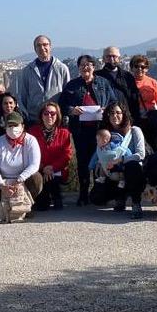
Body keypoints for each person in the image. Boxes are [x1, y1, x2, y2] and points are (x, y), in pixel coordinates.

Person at [58, 55, 118, 205]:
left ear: (94, 67)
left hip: (100, 130)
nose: (86, 67)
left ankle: (100, 192)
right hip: (80, 130)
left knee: (102, 160)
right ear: (78, 68)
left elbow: (114, 101)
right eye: (82, 65)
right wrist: (72, 110)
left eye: (89, 64)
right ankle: (83, 193)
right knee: (83, 162)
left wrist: (106, 110)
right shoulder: (72, 85)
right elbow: (62, 105)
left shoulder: (103, 83)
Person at [0, 112, 44, 213]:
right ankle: (3, 206)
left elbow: (34, 165)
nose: (12, 128)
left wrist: (19, 180)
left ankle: (27, 204)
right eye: (9, 125)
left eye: (15, 125)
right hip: (4, 179)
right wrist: (2, 186)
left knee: (36, 179)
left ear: (22, 126)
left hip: (23, 179)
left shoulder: (31, 140)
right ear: (5, 127)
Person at [26, 102, 73, 211]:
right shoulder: (33, 132)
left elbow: (67, 154)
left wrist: (52, 167)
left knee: (53, 179)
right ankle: (44, 197)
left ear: (57, 116)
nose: (49, 116)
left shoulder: (64, 133)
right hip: (39, 169)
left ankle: (57, 196)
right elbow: (28, 153)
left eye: (53, 113)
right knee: (42, 206)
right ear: (41, 115)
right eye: (46, 113)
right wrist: (43, 167)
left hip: (57, 170)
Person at [17, 35, 71, 126]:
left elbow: (68, 94)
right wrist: (26, 115)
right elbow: (23, 95)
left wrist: (65, 115)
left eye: (45, 44)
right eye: (39, 45)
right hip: (34, 120)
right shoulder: (27, 70)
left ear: (50, 47)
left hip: (56, 119)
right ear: (35, 49)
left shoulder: (62, 68)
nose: (42, 48)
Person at [129, 54, 157, 154]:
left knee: (156, 146)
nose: (139, 69)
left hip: (152, 119)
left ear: (146, 69)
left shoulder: (152, 82)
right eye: (136, 66)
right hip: (136, 120)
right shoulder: (127, 82)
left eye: (143, 67)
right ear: (132, 68)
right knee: (139, 148)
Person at [97, 46, 141, 121]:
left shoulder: (127, 76)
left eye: (114, 56)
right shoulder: (97, 76)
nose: (111, 59)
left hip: (125, 118)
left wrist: (135, 119)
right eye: (108, 56)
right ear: (103, 59)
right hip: (104, 119)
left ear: (119, 59)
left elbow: (134, 99)